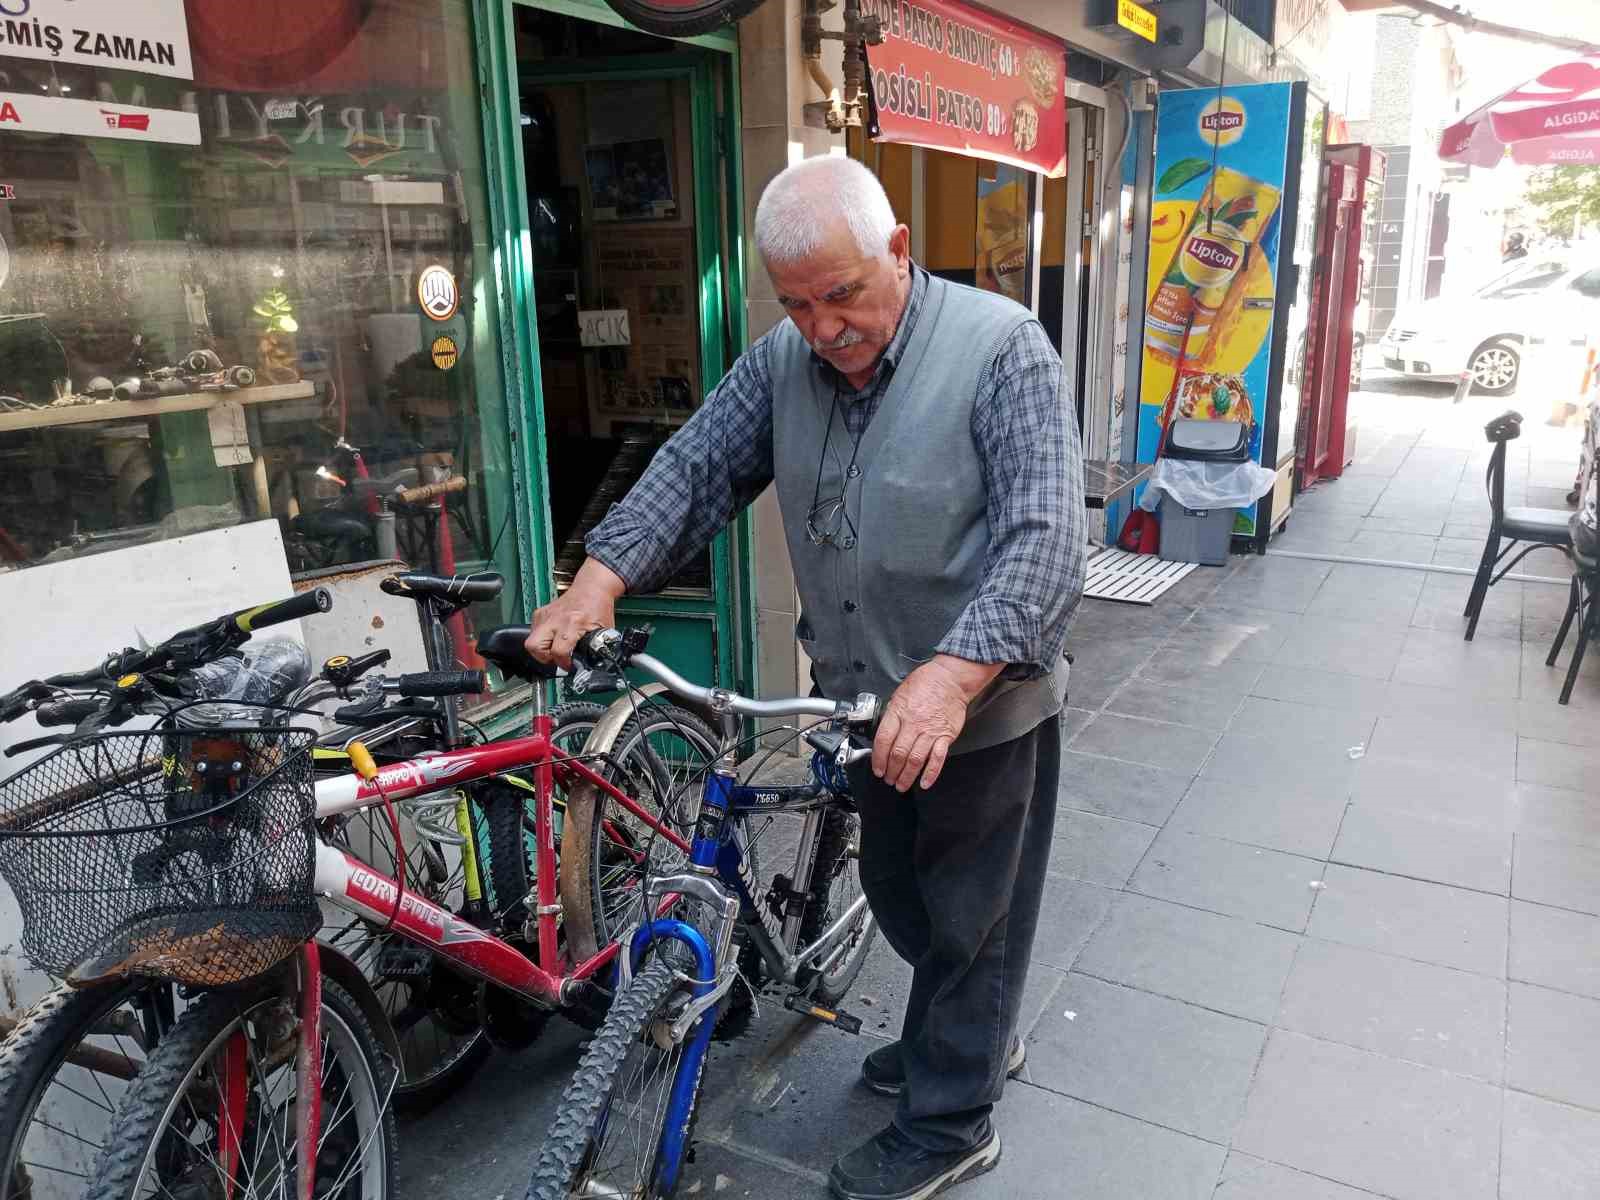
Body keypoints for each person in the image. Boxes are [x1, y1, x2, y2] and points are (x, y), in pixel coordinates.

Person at [523, 154, 1086, 1200]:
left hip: (983, 704)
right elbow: (694, 468)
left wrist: (953, 676)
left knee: (970, 921)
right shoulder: (784, 358)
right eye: (797, 303)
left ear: (899, 252)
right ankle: (959, 1034)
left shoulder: (1001, 349)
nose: (824, 327)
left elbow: (1047, 541)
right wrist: (596, 581)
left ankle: (953, 1120)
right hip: (860, 700)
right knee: (902, 899)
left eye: (843, 295)